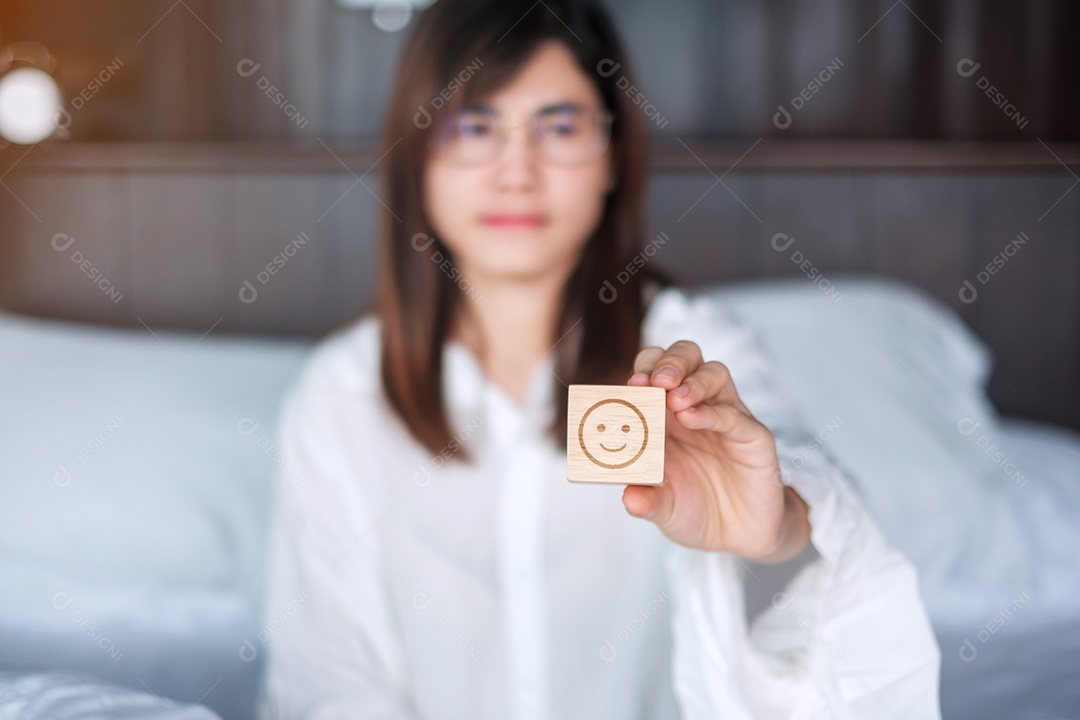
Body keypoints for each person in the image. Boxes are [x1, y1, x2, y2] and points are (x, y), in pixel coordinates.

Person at [255, 0, 942, 717]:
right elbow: (331, 682)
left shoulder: (697, 355)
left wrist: (772, 529)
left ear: (613, 154)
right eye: (473, 126)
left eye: (558, 127)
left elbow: (809, 524)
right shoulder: (339, 394)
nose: (516, 171)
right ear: (417, 155)